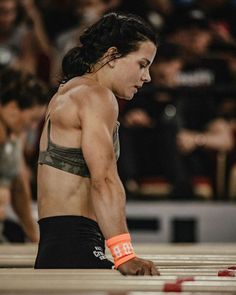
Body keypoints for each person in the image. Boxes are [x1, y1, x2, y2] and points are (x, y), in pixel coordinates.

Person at [35, 12, 159, 275]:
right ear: (112, 56)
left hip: (58, 245)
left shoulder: (68, 91)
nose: (147, 77)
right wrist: (124, 254)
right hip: (76, 247)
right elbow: (104, 180)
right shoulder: (96, 96)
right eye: (142, 64)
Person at [0, 68, 48, 242]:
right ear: (12, 108)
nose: (34, 127)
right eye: (33, 119)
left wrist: (35, 238)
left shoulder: (15, 135)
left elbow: (20, 188)